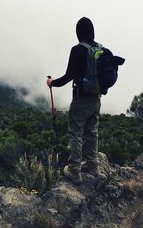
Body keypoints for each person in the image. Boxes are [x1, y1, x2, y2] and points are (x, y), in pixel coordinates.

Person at [47, 17, 102, 184]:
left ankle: (74, 170)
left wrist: (52, 83)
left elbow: (68, 76)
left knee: (76, 132)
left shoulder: (77, 50)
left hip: (81, 99)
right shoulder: (99, 49)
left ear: (78, 32)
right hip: (96, 98)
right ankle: (93, 165)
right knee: (92, 131)